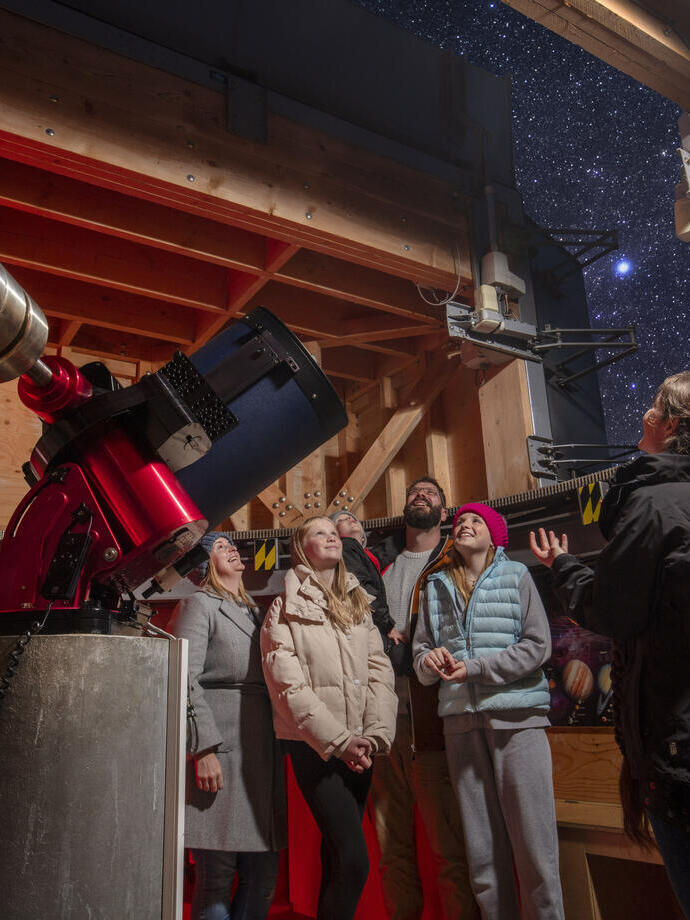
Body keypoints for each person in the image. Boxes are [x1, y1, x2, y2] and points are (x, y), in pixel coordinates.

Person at [529, 371, 690, 916]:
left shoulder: (657, 507)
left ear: (666, 421)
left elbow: (609, 610)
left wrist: (563, 566)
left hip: (680, 747)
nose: (642, 413)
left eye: (651, 403)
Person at [414, 503, 564, 920]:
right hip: (461, 723)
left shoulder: (517, 575)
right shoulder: (435, 586)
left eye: (475, 520)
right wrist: (429, 663)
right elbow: (421, 653)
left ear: (495, 535)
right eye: (460, 520)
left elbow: (538, 647)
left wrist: (477, 668)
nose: (465, 524)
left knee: (535, 848)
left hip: (518, 722)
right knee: (482, 856)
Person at [261, 515, 397, 920]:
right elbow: (287, 686)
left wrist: (373, 735)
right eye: (319, 532)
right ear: (302, 548)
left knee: (338, 860)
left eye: (333, 532)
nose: (331, 536)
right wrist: (339, 741)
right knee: (354, 862)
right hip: (316, 749)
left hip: (362, 748)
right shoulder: (282, 608)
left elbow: (379, 672)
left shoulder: (358, 603)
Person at [370, 477, 478, 920]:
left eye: (431, 493)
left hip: (433, 721)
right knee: (391, 845)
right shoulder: (378, 564)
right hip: (381, 719)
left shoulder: (452, 562)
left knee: (449, 845)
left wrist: (404, 642)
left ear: (444, 510)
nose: (421, 495)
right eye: (415, 492)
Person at [169, 533, 287, 920]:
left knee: (264, 877)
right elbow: (183, 676)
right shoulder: (198, 605)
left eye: (230, 545)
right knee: (217, 878)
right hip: (222, 748)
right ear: (203, 566)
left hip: (262, 751)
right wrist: (202, 748)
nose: (232, 549)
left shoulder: (256, 613)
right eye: (220, 547)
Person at [330, 510, 406, 667]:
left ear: (363, 537)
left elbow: (385, 551)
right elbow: (363, 587)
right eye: (341, 520)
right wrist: (388, 625)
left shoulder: (363, 554)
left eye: (353, 518)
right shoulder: (346, 546)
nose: (350, 518)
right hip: (369, 625)